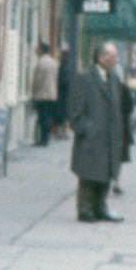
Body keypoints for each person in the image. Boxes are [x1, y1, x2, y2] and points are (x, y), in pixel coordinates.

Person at [68, 40, 125, 222]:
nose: (115, 59)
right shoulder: (85, 78)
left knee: (106, 174)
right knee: (89, 174)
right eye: (112, 56)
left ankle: (101, 207)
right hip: (92, 137)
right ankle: (85, 209)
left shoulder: (114, 78)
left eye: (115, 56)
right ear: (101, 57)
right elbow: (75, 112)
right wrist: (87, 129)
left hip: (110, 137)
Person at [30, 40, 59, 147]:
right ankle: (46, 138)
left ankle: (43, 140)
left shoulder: (41, 62)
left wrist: (33, 93)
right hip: (52, 94)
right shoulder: (54, 62)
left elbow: (37, 80)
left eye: (37, 49)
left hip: (42, 94)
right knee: (48, 117)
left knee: (43, 118)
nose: (36, 51)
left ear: (41, 50)